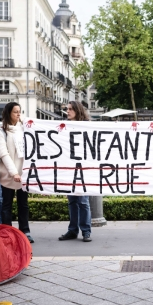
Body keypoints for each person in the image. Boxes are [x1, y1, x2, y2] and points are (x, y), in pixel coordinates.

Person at [0, 102, 33, 243]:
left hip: (23, 173)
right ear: (8, 113)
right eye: (15, 112)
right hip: (8, 175)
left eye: (20, 111)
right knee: (7, 205)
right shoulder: (1, 132)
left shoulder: (23, 129)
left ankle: (25, 231)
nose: (18, 114)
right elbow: (3, 154)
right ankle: (7, 233)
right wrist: (13, 173)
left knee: (23, 204)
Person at [59, 101, 93, 242]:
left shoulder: (87, 126)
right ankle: (73, 230)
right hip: (69, 167)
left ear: (78, 110)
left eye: (71, 109)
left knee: (83, 200)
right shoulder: (64, 127)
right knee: (72, 200)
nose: (68, 111)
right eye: (67, 109)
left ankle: (86, 231)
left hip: (83, 167)